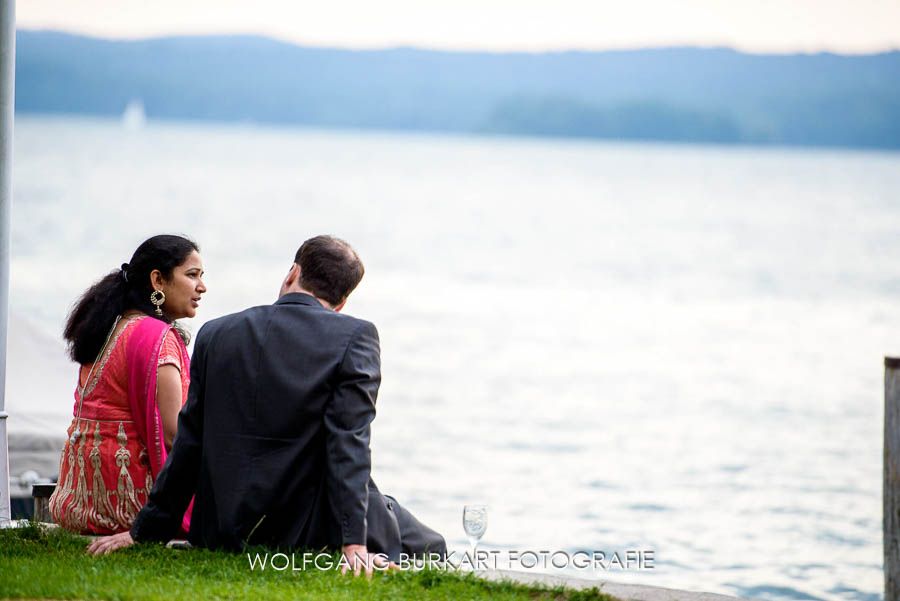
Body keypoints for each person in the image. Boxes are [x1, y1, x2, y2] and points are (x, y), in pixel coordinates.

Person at [88, 235, 445, 576]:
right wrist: (353, 543)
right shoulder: (355, 336)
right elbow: (347, 444)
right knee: (433, 546)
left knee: (397, 520)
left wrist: (144, 531)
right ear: (342, 303)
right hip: (303, 533)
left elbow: (189, 444)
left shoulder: (216, 333)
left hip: (223, 530)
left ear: (293, 273)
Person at [48, 234, 206, 535]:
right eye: (192, 275)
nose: (202, 287)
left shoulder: (109, 328)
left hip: (78, 502)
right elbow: (174, 438)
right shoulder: (158, 338)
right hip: (131, 507)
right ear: (158, 280)